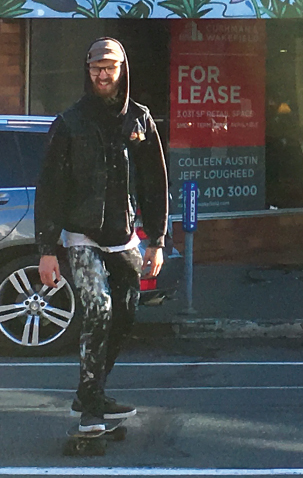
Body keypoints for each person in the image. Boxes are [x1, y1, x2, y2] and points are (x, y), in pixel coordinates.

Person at [34, 37, 168, 433]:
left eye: (109, 67)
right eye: (96, 68)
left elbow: (155, 183)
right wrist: (47, 249)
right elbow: (50, 187)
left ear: (122, 69)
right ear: (87, 71)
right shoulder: (70, 122)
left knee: (126, 310)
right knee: (99, 309)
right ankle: (91, 407)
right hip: (82, 235)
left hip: (123, 235)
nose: (102, 75)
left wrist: (157, 240)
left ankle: (92, 390)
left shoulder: (140, 120)